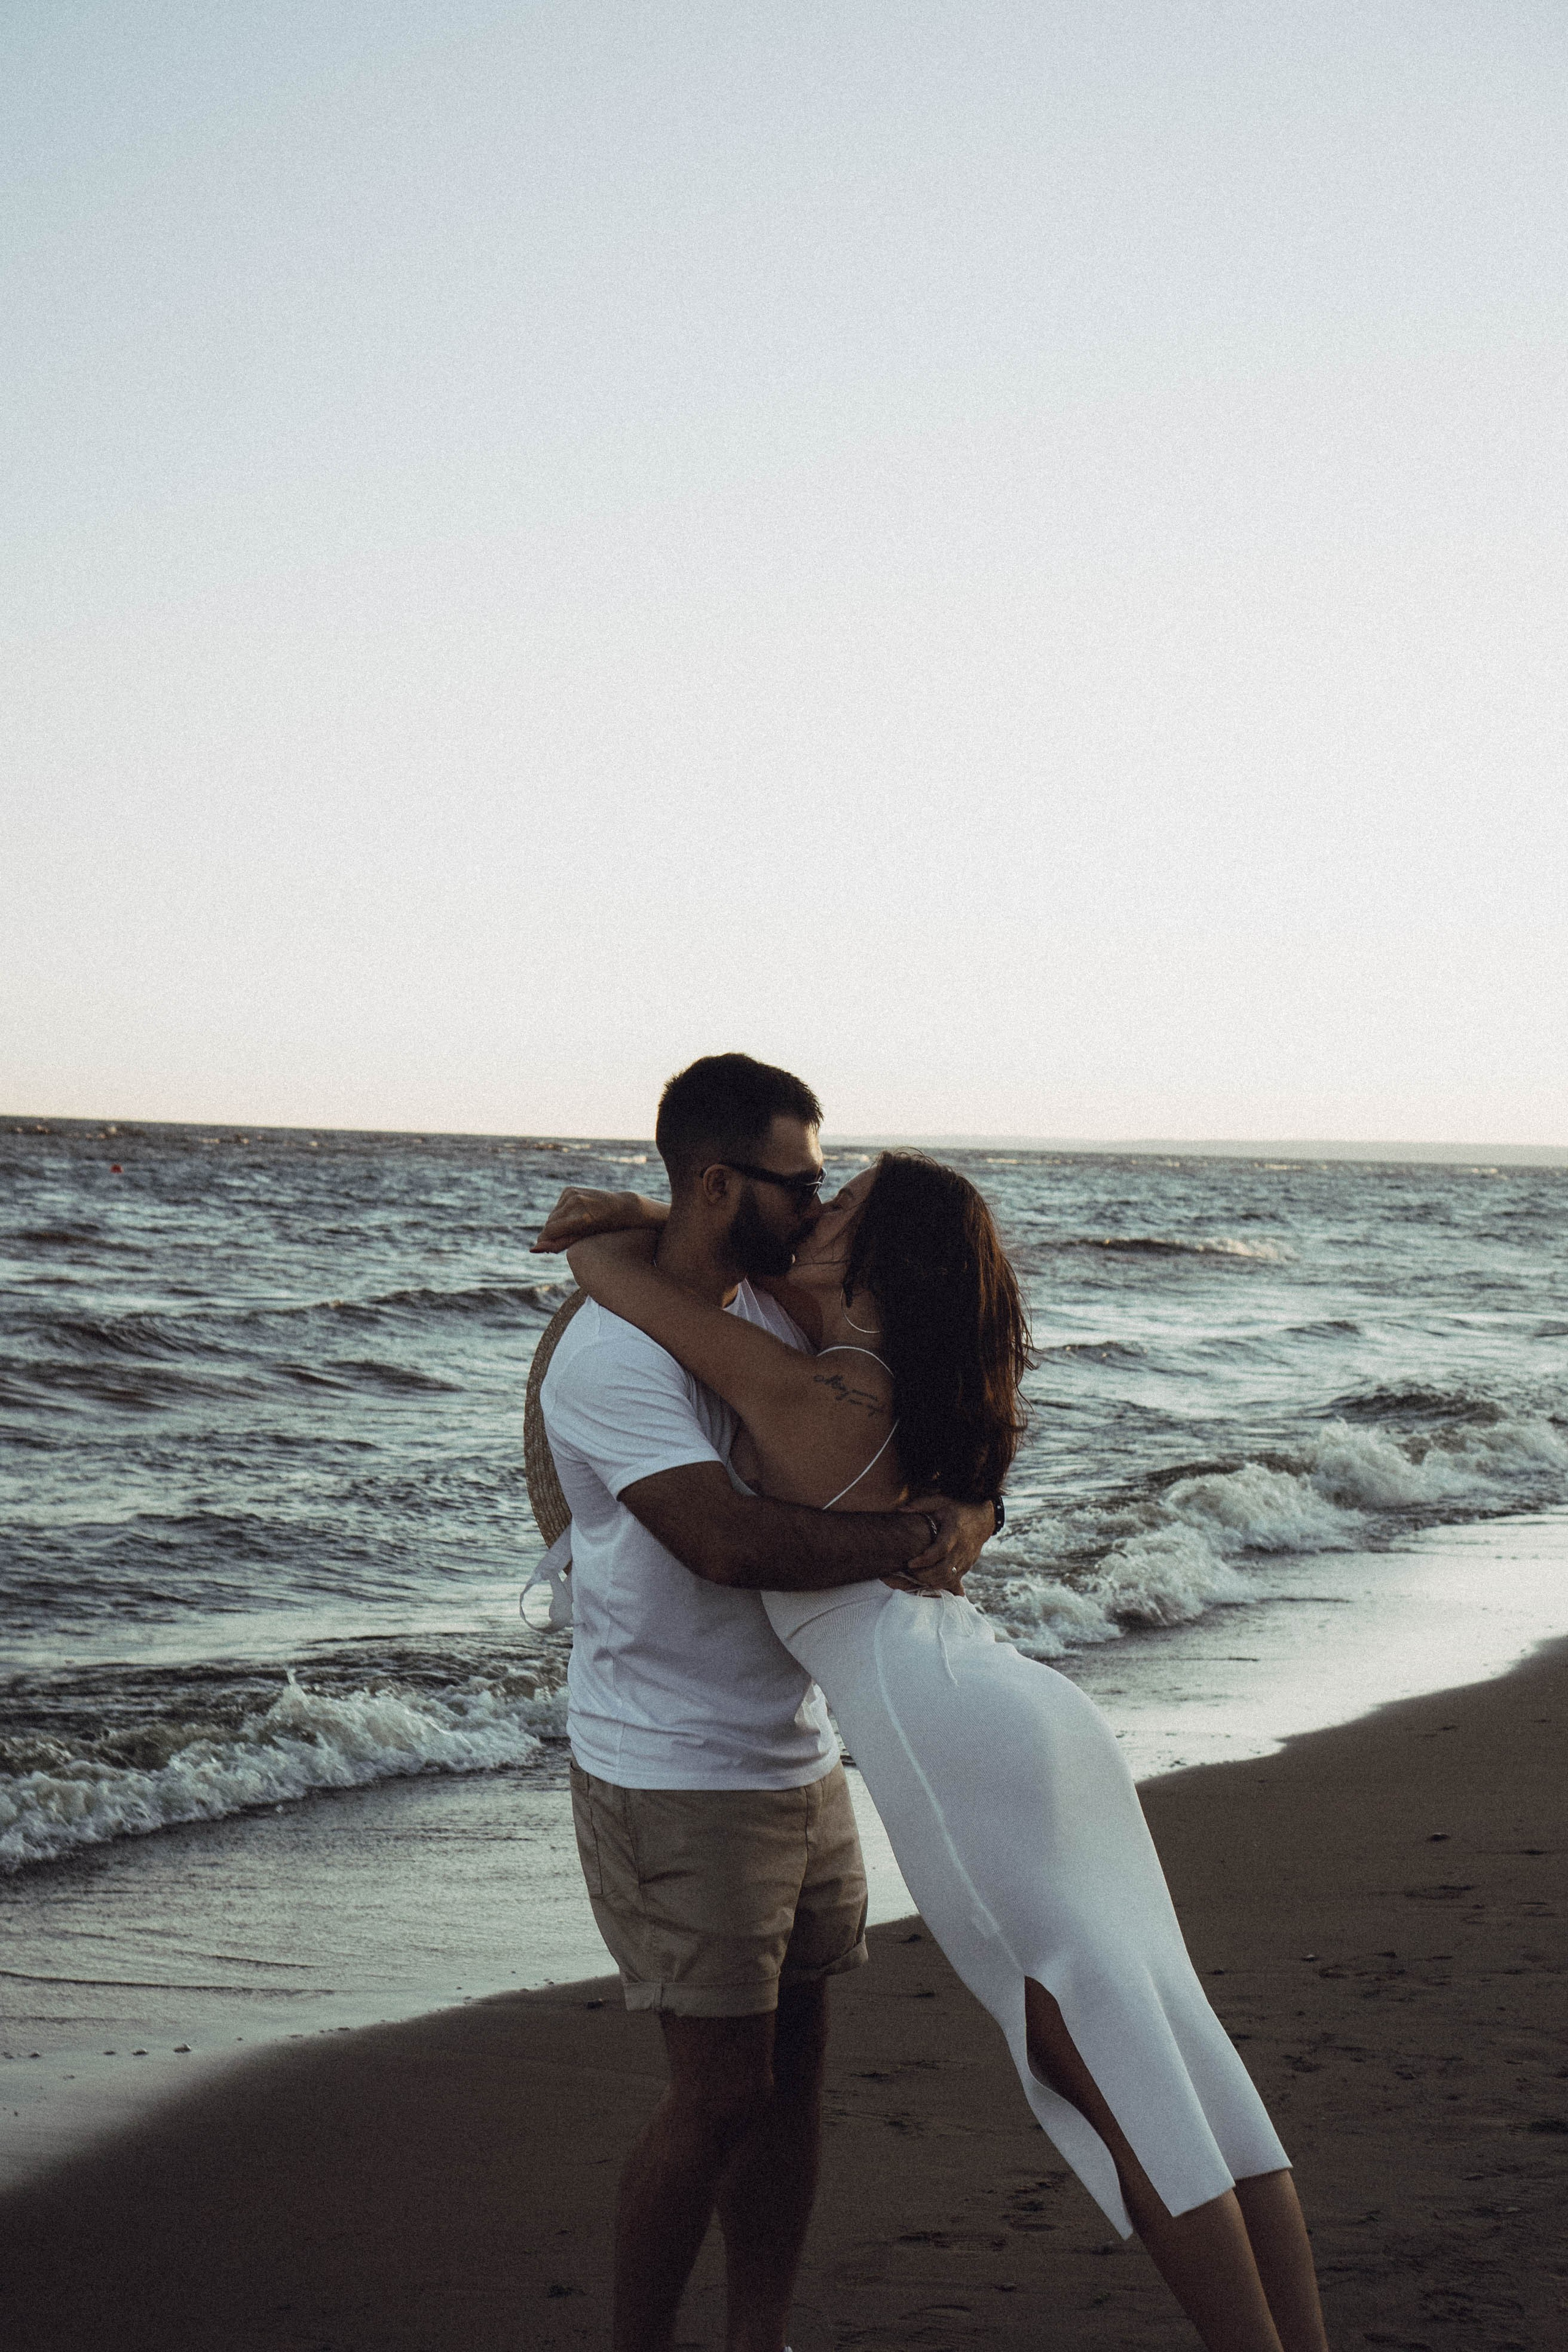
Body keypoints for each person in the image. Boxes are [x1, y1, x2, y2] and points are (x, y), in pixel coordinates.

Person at [536, 1143, 1333, 2352]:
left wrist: (615, 1236)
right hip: (1017, 1709)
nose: (811, 1213)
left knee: (1102, 2070)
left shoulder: (802, 1390)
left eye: (835, 1204)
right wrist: (671, 1211)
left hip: (953, 1737)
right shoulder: (898, 1378)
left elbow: (639, 1293)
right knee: (1169, 2048)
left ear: (870, 1257)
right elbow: (714, 1264)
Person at [534, 1054, 998, 2352]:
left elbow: (920, 1438)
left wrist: (961, 1510)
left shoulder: (780, 1313)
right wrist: (915, 1540)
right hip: (669, 1771)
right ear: (719, 1181)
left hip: (794, 1756)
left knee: (793, 2087)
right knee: (718, 2096)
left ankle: (762, 2341)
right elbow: (721, 1541)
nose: (818, 1203)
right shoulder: (609, 1353)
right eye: (798, 1182)